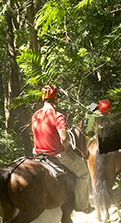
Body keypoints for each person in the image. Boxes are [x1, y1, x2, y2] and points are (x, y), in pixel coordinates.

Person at [31, 84, 92, 213]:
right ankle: (82, 205)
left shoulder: (35, 116)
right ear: (56, 99)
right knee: (84, 173)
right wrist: (70, 153)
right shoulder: (58, 116)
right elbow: (64, 139)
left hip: (38, 155)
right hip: (56, 155)